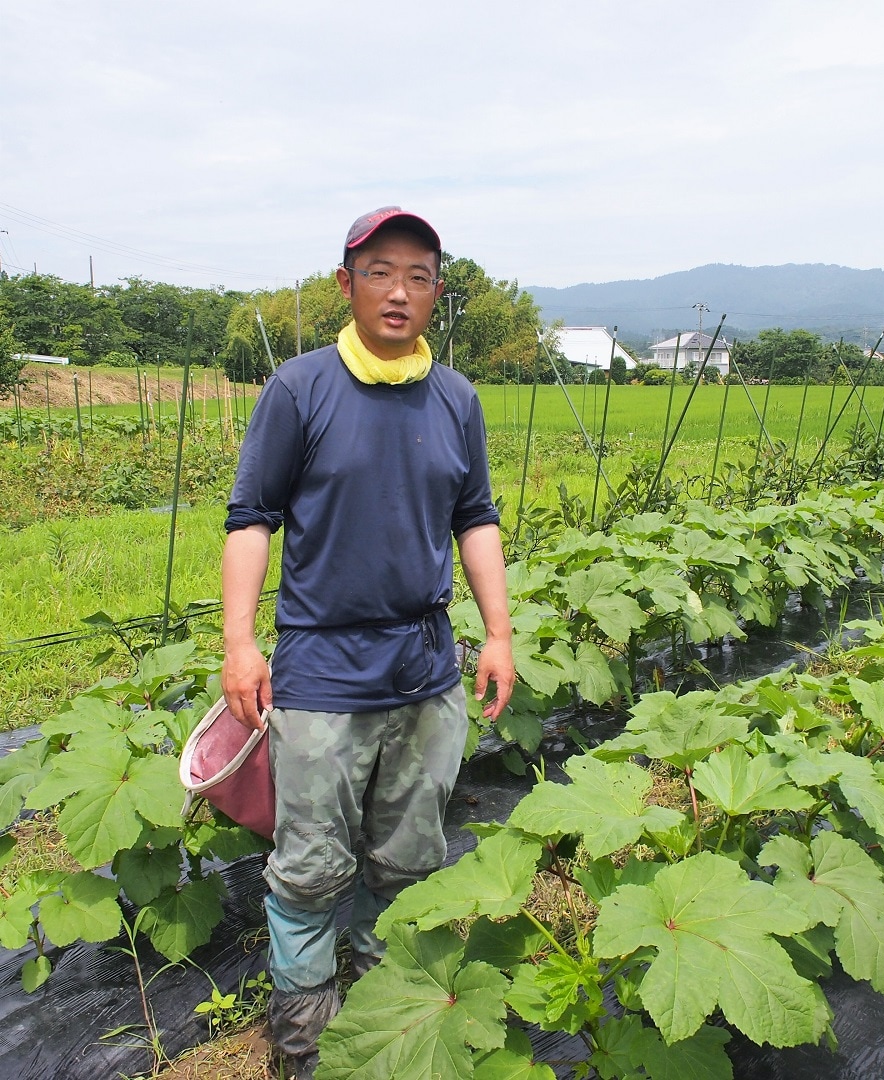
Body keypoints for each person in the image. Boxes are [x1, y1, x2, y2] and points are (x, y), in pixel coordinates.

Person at [220, 206, 514, 1079]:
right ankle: (307, 1042)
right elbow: (250, 519)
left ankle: (393, 1014)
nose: (400, 292)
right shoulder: (301, 389)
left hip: (426, 668)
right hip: (321, 670)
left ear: (436, 295)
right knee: (309, 870)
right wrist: (241, 642)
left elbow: (477, 518)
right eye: (381, 272)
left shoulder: (456, 399)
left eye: (419, 276)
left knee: (410, 858)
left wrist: (497, 632)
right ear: (346, 284)